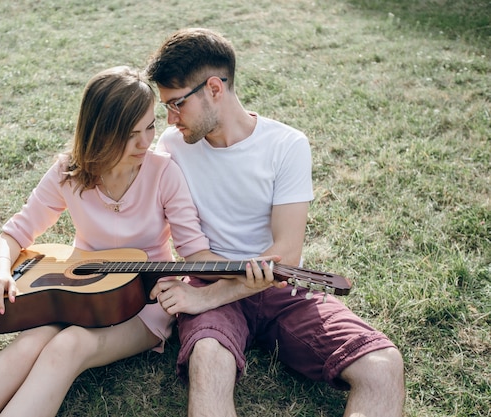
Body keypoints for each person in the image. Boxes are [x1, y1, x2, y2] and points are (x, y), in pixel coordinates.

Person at [0, 66, 265, 417]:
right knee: (27, 345)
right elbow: (15, 233)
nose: (145, 142)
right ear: (101, 133)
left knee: (68, 346)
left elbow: (194, 252)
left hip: (142, 305)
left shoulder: (163, 173)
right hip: (76, 295)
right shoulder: (69, 172)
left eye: (150, 127)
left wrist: (244, 273)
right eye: (130, 134)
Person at [146, 28, 406, 417]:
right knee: (208, 360)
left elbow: (285, 254)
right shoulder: (172, 145)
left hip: (281, 287)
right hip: (209, 275)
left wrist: (207, 298)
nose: (169, 117)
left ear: (214, 88)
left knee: (383, 365)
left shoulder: (287, 145)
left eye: (177, 104)